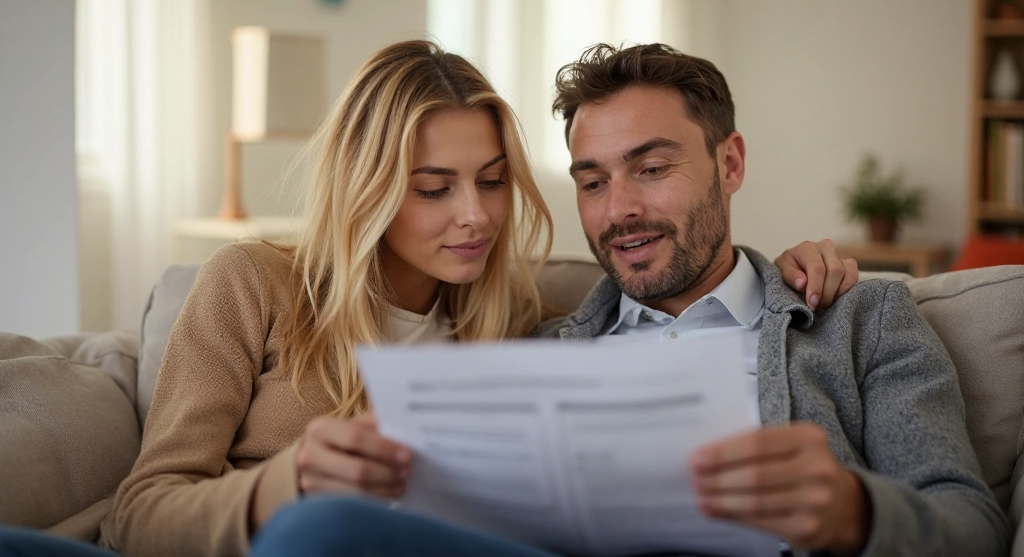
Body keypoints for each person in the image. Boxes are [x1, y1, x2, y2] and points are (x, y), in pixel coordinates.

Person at [0, 41, 853, 557]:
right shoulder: (252, 284)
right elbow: (140, 516)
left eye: (490, 182)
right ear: (367, 189)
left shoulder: (519, 330)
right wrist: (285, 482)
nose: (475, 217)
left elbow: (687, 294)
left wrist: (787, 272)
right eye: (432, 188)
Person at [248, 43, 1010, 557]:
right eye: (591, 181)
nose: (619, 211)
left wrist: (853, 513)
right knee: (324, 530)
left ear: (730, 161)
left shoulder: (859, 320)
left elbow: (972, 525)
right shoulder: (535, 348)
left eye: (651, 168)